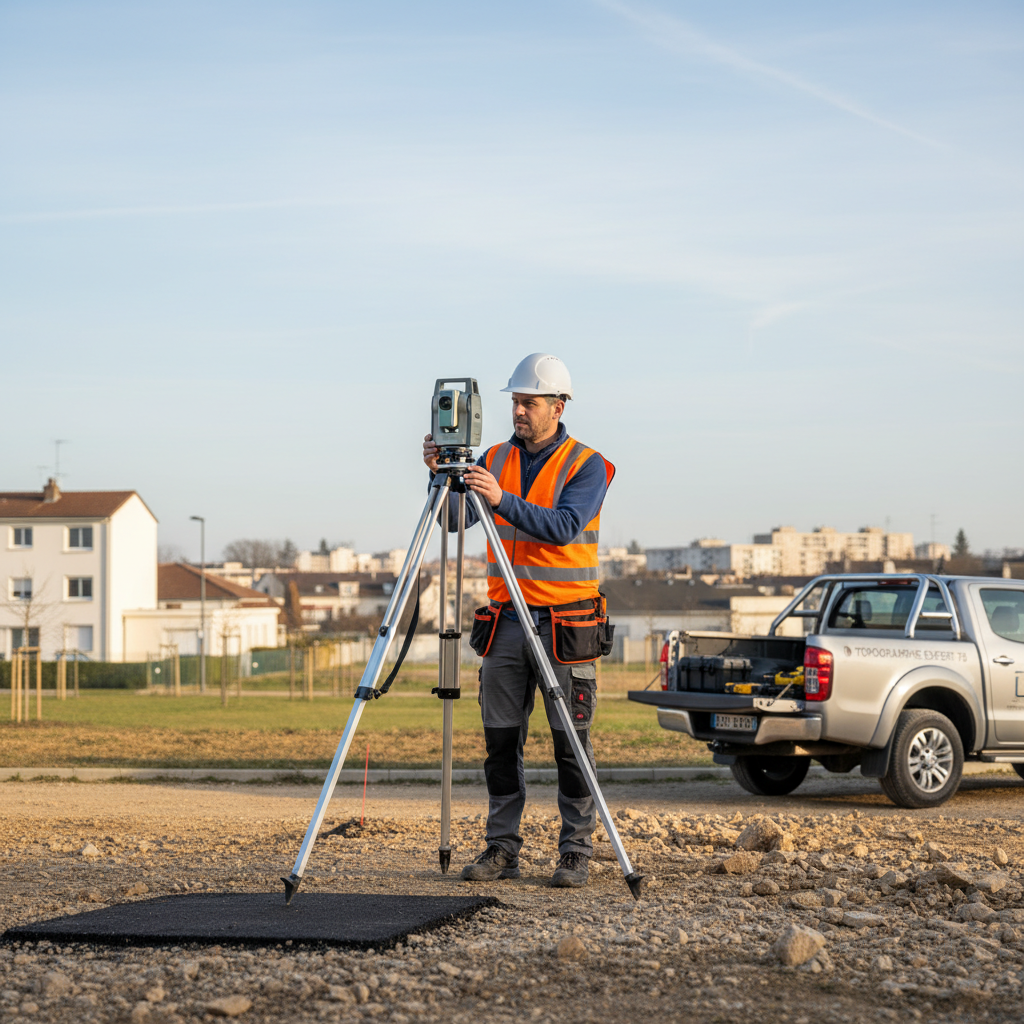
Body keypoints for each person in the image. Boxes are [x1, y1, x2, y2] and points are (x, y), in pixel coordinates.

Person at [422, 353, 614, 888]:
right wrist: (440, 476)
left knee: (570, 743)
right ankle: (501, 847)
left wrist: (501, 499)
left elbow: (564, 527)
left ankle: (575, 849)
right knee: (500, 741)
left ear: (558, 406)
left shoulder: (588, 464)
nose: (519, 412)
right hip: (506, 620)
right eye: (514, 402)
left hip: (566, 625)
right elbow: (456, 519)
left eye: (528, 403)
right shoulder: (493, 457)